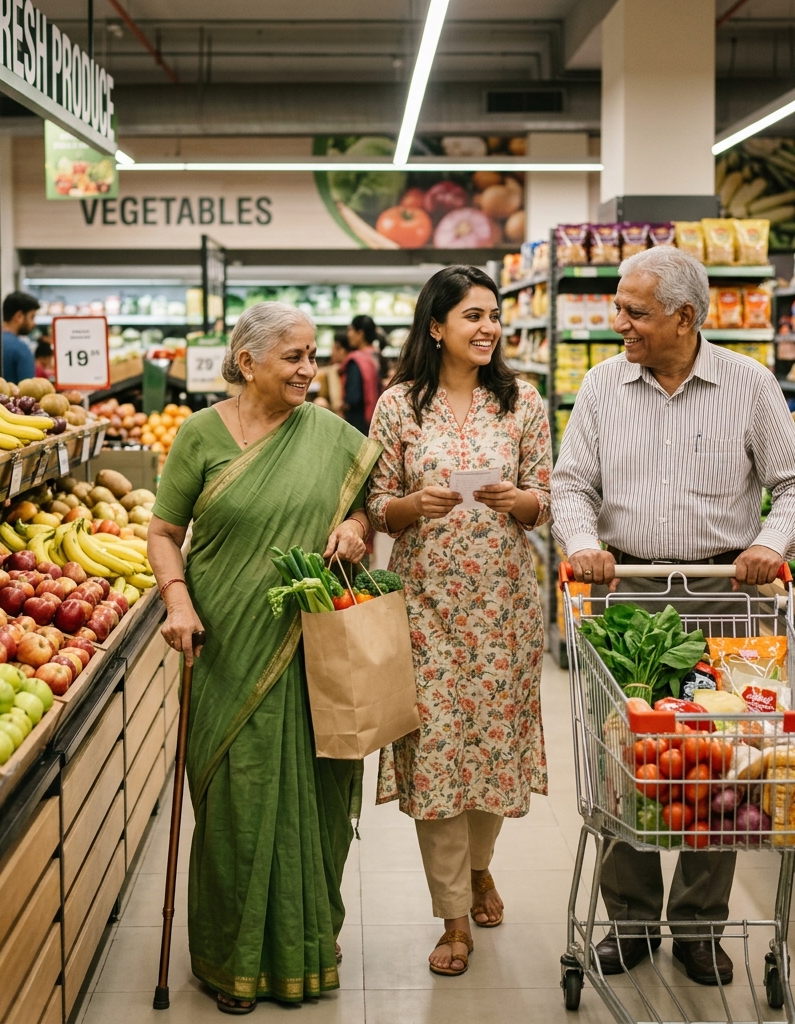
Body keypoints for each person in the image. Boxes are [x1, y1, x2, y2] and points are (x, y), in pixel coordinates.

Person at [551, 246, 795, 986]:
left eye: (635, 312)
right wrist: (583, 543)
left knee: (723, 761)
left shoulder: (748, 384)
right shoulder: (604, 387)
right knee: (623, 759)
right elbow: (570, 485)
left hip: (722, 595)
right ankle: (632, 921)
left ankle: (700, 925)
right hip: (626, 594)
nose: (620, 324)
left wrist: (769, 542)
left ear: (685, 318)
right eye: (619, 307)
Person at [146, 302, 381, 1014]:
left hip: (315, 649)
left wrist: (354, 524)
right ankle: (232, 963)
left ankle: (308, 941)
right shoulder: (198, 436)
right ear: (247, 362)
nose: (310, 370)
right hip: (225, 643)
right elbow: (162, 531)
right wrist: (176, 600)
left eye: (313, 355)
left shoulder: (332, 436)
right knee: (238, 807)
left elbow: (366, 505)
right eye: (293, 358)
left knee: (318, 797)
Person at [366, 266, 552, 978]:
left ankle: (480, 869)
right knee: (438, 754)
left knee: (492, 751)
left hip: (504, 610)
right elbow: (376, 500)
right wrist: (412, 507)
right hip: (426, 609)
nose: (488, 328)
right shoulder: (399, 407)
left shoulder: (522, 403)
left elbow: (552, 498)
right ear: (436, 325)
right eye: (472, 315)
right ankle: (451, 919)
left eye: (494, 316)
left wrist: (521, 503)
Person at [341, 313, 381, 434]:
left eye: (351, 330)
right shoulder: (377, 356)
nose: (349, 335)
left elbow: (353, 397)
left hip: (358, 422)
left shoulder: (356, 361)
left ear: (360, 333)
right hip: (377, 417)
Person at [313, 332, 347, 414]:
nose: (331, 353)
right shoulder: (334, 368)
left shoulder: (337, 370)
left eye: (333, 349)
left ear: (342, 350)